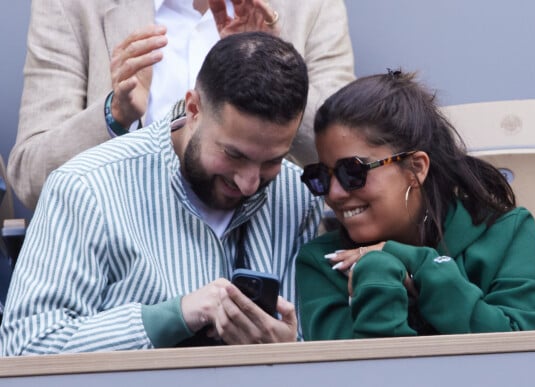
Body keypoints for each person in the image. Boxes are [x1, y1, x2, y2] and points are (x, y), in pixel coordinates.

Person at [0, 31, 323, 355]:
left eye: (272, 160)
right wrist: (175, 316)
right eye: (234, 155)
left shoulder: (299, 198)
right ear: (194, 108)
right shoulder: (86, 188)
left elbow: (327, 351)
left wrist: (289, 354)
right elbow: (25, 347)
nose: (249, 183)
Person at [8, 0, 355, 210]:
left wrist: (274, 63)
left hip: (268, 259)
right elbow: (32, 178)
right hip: (121, 269)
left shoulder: (310, 6)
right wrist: (114, 115)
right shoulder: (71, 6)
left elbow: (345, 159)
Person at [296, 71, 535, 340]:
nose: (334, 194)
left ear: (416, 168)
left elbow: (521, 353)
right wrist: (377, 275)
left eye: (352, 172)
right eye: (322, 177)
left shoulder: (506, 233)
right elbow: (359, 376)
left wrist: (422, 266)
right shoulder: (324, 262)